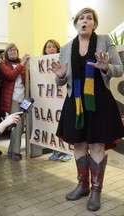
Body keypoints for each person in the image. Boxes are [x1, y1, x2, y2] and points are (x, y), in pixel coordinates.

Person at [51, 7, 124, 212]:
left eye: (89, 18)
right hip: (75, 101)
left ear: (94, 23)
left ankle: (95, 191)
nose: (85, 21)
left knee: (97, 145)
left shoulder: (104, 40)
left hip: (99, 100)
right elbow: (60, 79)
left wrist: (106, 67)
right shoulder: (66, 47)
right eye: (81, 18)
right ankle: (82, 185)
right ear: (75, 24)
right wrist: (59, 75)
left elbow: (119, 69)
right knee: (79, 144)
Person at [42, 39, 73, 162]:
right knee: (52, 125)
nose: (51, 49)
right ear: (44, 50)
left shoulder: (64, 60)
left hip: (62, 98)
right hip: (49, 100)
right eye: (48, 46)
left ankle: (67, 151)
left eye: (54, 46)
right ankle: (56, 150)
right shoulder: (41, 63)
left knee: (64, 125)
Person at [0, 43, 30, 161]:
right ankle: (16, 152)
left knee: (20, 125)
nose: (13, 52)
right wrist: (22, 64)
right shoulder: (3, 64)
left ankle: (11, 150)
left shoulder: (22, 61)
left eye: (15, 50)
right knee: (17, 124)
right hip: (13, 99)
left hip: (24, 98)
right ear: (6, 52)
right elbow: (11, 76)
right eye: (10, 50)